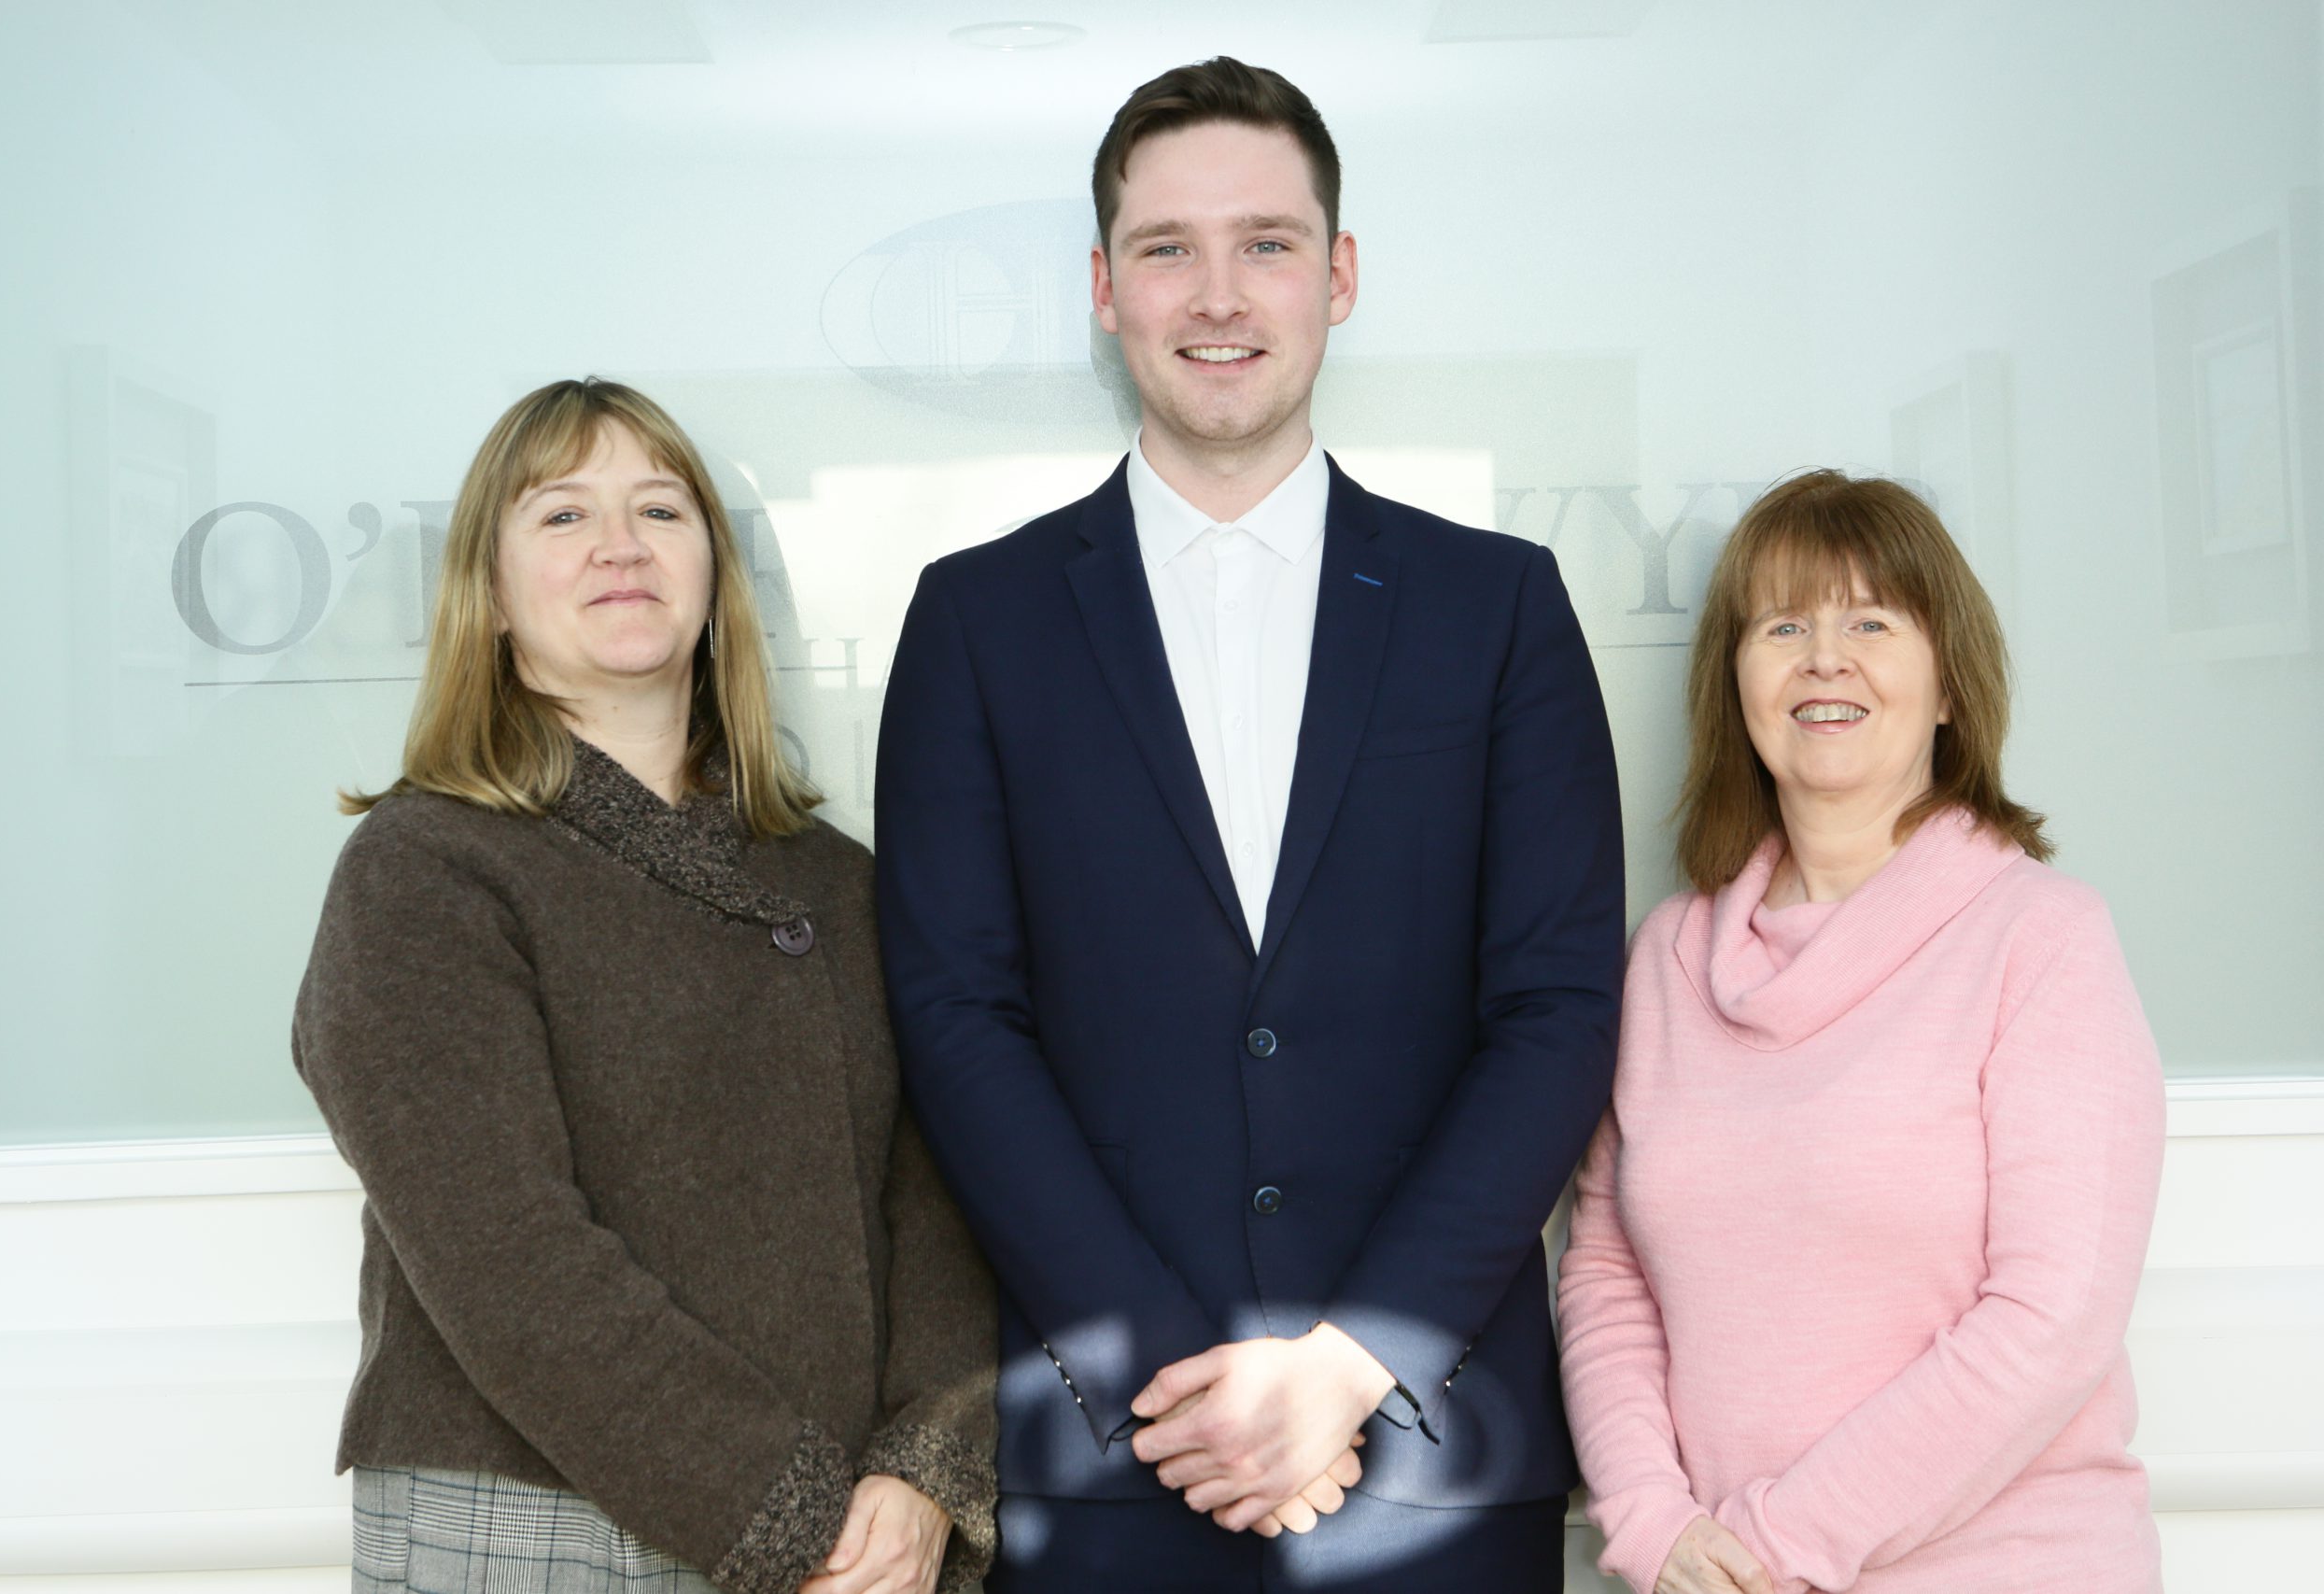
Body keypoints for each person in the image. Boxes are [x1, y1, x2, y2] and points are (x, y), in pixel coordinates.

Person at [874, 57, 1625, 1593]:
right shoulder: (976, 621)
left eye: (1268, 242)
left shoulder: (1498, 610)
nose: (1219, 294)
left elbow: (1555, 1012)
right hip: (1108, 1456)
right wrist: (1176, 1382)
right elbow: (958, 1022)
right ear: (1103, 286)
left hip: (1432, 1453)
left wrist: (1350, 1364)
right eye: (1167, 248)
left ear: (1340, 276)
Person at [292, 378, 996, 1594]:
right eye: (561, 515)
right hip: (530, 1524)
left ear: (716, 574)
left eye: (659, 508)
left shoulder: (838, 883)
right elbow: (507, 1260)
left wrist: (927, 1465)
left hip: (855, 1537)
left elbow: (935, 1205)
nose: (619, 542)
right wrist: (790, 1510)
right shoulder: (420, 870)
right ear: (492, 597)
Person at [1558, 470, 2166, 1594]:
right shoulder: (1668, 957)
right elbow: (1606, 1275)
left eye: (1870, 621)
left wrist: (1775, 1548)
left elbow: (2052, 1318)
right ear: (1734, 682)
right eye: (1782, 624)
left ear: (1946, 687)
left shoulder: (2040, 939)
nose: (1822, 657)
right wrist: (1650, 1524)